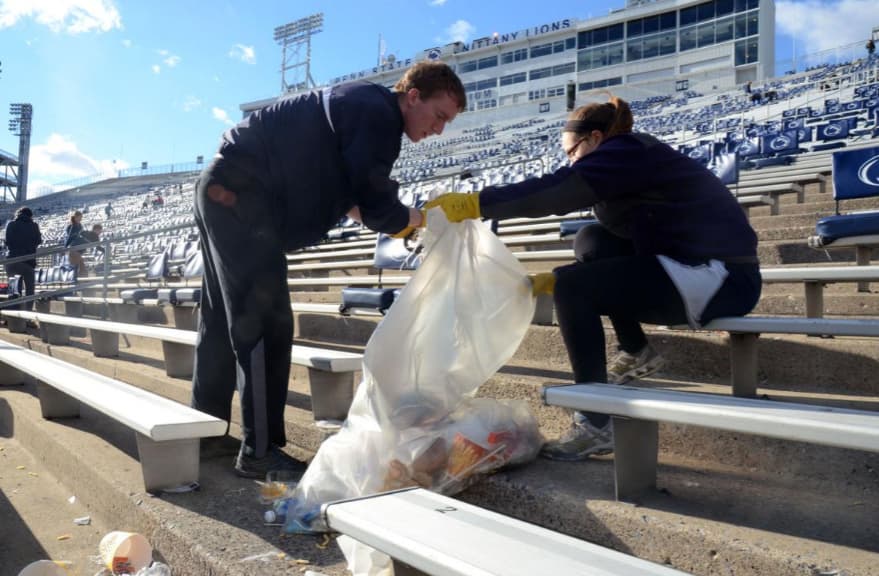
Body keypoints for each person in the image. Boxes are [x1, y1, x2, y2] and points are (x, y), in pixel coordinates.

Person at [425, 94, 761, 461]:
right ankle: (636, 350)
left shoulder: (627, 150)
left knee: (574, 286)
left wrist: (477, 202)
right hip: (688, 267)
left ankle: (595, 422)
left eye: (572, 152)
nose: (570, 162)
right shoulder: (627, 160)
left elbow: (557, 191)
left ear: (597, 138)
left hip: (722, 276)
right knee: (592, 241)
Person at [191, 61, 466, 478]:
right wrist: (430, 219)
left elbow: (355, 202)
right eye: (439, 116)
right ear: (413, 97)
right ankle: (260, 451)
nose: (439, 130)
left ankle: (207, 432)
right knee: (265, 322)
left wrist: (410, 220)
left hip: (223, 188)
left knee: (218, 318)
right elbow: (377, 206)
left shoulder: (361, 106)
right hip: (243, 196)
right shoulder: (378, 113)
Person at [4, 206, 42, 310]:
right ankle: (27, 316)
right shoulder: (34, 226)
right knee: (30, 291)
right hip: (28, 262)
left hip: (12, 261)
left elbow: (7, 242)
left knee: (14, 290)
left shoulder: (11, 224)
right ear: (30, 216)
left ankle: (13, 317)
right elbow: (38, 241)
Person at [63, 210, 87, 277]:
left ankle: (81, 281)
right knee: (78, 267)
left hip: (77, 249)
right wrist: (65, 248)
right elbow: (69, 238)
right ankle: (77, 282)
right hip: (73, 249)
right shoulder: (73, 226)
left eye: (81, 217)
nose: (81, 219)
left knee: (81, 266)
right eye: (80, 217)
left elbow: (81, 236)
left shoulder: (79, 225)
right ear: (75, 217)